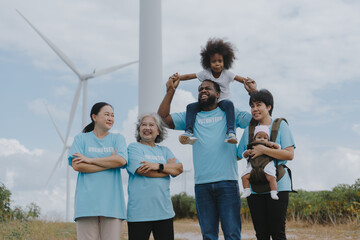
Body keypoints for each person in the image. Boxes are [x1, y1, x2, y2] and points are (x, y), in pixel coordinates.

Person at [158, 75, 257, 240]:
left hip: (227, 183)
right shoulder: (192, 116)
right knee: (208, 235)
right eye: (200, 89)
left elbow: (258, 120)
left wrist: (253, 92)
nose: (203, 90)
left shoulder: (229, 112)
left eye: (207, 88)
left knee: (232, 234)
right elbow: (163, 119)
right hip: (202, 185)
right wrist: (171, 90)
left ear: (218, 94)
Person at [168, 38, 251, 145]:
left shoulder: (227, 74)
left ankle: (231, 132)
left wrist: (249, 81)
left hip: (223, 101)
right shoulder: (205, 73)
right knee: (191, 107)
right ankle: (188, 131)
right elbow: (190, 76)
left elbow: (241, 79)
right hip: (209, 101)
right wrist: (178, 78)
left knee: (229, 105)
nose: (217, 64)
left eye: (220, 61)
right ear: (208, 63)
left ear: (225, 62)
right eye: (214, 61)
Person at [237, 89, 295, 240]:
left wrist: (263, 149)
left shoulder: (280, 125)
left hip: (278, 185)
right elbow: (238, 155)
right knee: (261, 234)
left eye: (258, 105)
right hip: (254, 188)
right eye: (252, 106)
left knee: (278, 233)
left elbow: (289, 154)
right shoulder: (249, 130)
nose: (254, 109)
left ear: (268, 107)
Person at [68, 102, 127, 240]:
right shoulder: (81, 139)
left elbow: (121, 161)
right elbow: (77, 166)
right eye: (106, 114)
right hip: (86, 205)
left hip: (113, 205)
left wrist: (89, 160)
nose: (110, 118)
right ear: (94, 117)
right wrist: (110, 161)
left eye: (112, 115)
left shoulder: (118, 138)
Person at [126, 113, 183, 240]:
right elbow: (143, 170)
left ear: (158, 131)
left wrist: (158, 166)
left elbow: (179, 169)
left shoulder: (165, 151)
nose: (147, 128)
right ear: (139, 129)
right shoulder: (133, 148)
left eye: (151, 125)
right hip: (139, 214)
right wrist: (168, 169)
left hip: (164, 213)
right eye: (143, 125)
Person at [240, 125, 281, 200]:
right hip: (253, 166)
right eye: (259, 137)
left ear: (268, 139)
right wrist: (247, 153)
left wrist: (273, 144)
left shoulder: (270, 145)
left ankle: (274, 191)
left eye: (265, 138)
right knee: (244, 177)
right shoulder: (251, 146)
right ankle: (246, 190)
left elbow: (279, 148)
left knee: (272, 177)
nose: (262, 139)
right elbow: (243, 155)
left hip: (267, 164)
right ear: (254, 138)